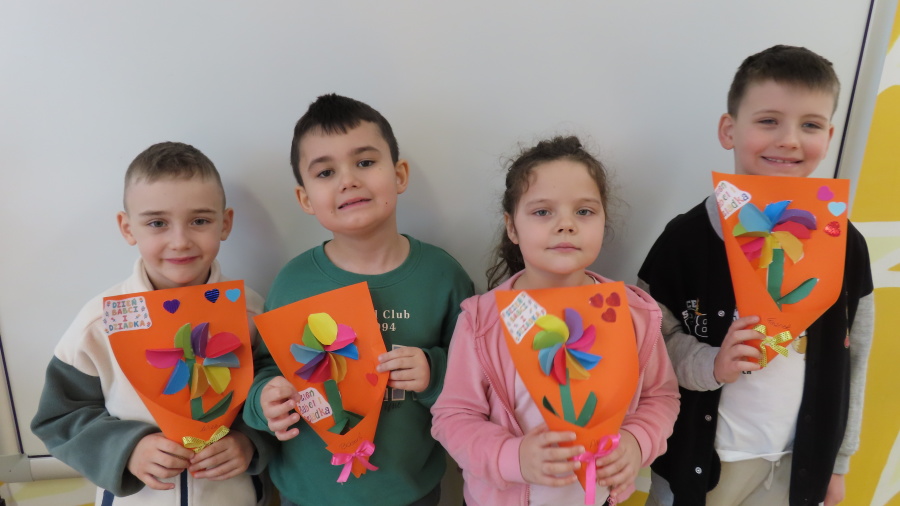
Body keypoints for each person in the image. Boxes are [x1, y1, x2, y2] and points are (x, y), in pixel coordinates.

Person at [639, 45, 875, 506]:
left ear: (829, 136)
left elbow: (855, 358)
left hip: (795, 467)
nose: (789, 140)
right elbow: (649, 344)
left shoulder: (847, 244)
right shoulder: (684, 240)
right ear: (729, 130)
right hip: (701, 468)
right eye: (768, 120)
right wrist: (712, 363)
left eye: (810, 125)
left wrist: (838, 463)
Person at [242, 93, 474, 506]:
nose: (348, 180)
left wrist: (433, 371)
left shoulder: (442, 276)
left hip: (410, 492)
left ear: (399, 175)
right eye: (326, 172)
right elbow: (263, 370)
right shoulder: (293, 282)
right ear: (305, 199)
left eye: (365, 163)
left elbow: (479, 376)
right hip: (307, 495)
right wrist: (264, 402)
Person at [431, 135, 680, 506]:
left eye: (584, 211)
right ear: (512, 227)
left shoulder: (634, 314)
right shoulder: (483, 321)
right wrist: (513, 457)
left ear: (603, 220)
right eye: (543, 212)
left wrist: (637, 441)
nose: (566, 224)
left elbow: (661, 397)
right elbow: (453, 417)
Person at [31, 142, 273, 505]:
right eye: (157, 223)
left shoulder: (252, 315)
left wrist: (249, 442)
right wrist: (127, 449)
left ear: (225, 224)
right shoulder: (98, 324)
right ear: (128, 228)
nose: (180, 241)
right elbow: (58, 419)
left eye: (200, 221)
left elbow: (280, 397)